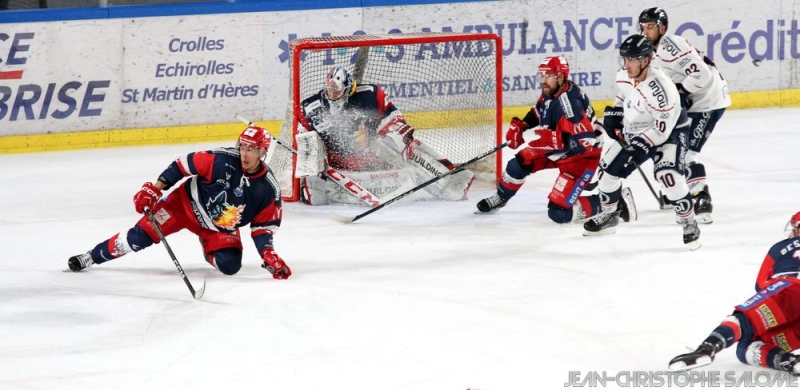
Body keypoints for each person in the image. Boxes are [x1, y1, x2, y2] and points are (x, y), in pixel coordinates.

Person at [67, 125, 291, 279]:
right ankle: (90, 257)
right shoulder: (220, 159)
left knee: (230, 266)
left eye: (251, 150)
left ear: (263, 151)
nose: (244, 154)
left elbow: (263, 228)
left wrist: (268, 254)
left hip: (218, 227)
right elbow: (181, 165)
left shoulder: (268, 189)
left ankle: (208, 244)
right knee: (138, 238)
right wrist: (155, 190)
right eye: (242, 147)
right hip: (181, 207)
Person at [476, 55, 637, 225]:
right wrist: (522, 125)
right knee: (518, 164)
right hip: (558, 149)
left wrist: (555, 140)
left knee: (558, 213)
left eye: (548, 76)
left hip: (581, 158)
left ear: (560, 77)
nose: (543, 81)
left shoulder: (571, 104)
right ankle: (501, 198)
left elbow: (586, 141)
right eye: (542, 75)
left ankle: (615, 201)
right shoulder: (552, 91)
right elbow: (539, 111)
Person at [583, 34, 701, 250]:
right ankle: (610, 215)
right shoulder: (625, 75)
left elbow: (662, 130)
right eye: (625, 59)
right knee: (607, 173)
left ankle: (688, 222)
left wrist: (641, 143)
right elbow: (623, 94)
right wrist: (616, 113)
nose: (626, 64)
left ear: (645, 60)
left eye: (631, 59)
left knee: (668, 176)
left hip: (671, 131)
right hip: (637, 129)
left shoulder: (662, 88)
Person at [296, 66, 475, 205]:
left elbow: (394, 117)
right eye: (330, 91)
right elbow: (305, 142)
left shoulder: (370, 95)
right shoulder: (311, 108)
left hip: (375, 159)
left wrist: (396, 132)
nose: (333, 96)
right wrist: (314, 164)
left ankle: (447, 181)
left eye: (337, 92)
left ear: (349, 88)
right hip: (340, 166)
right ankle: (319, 189)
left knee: (397, 141)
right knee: (310, 151)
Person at [668, 211, 800, 375]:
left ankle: (707, 348)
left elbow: (760, 284)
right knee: (746, 347)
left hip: (790, 289)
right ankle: (793, 363)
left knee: (744, 322)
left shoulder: (781, 247)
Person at [639, 7, 731, 223]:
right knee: (670, 147)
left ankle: (700, 196)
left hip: (708, 100)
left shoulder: (670, 45)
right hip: (692, 101)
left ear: (662, 28)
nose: (645, 32)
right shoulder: (651, 50)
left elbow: (702, 73)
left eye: (650, 27)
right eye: (643, 27)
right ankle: (678, 191)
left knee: (687, 152)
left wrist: (681, 92)